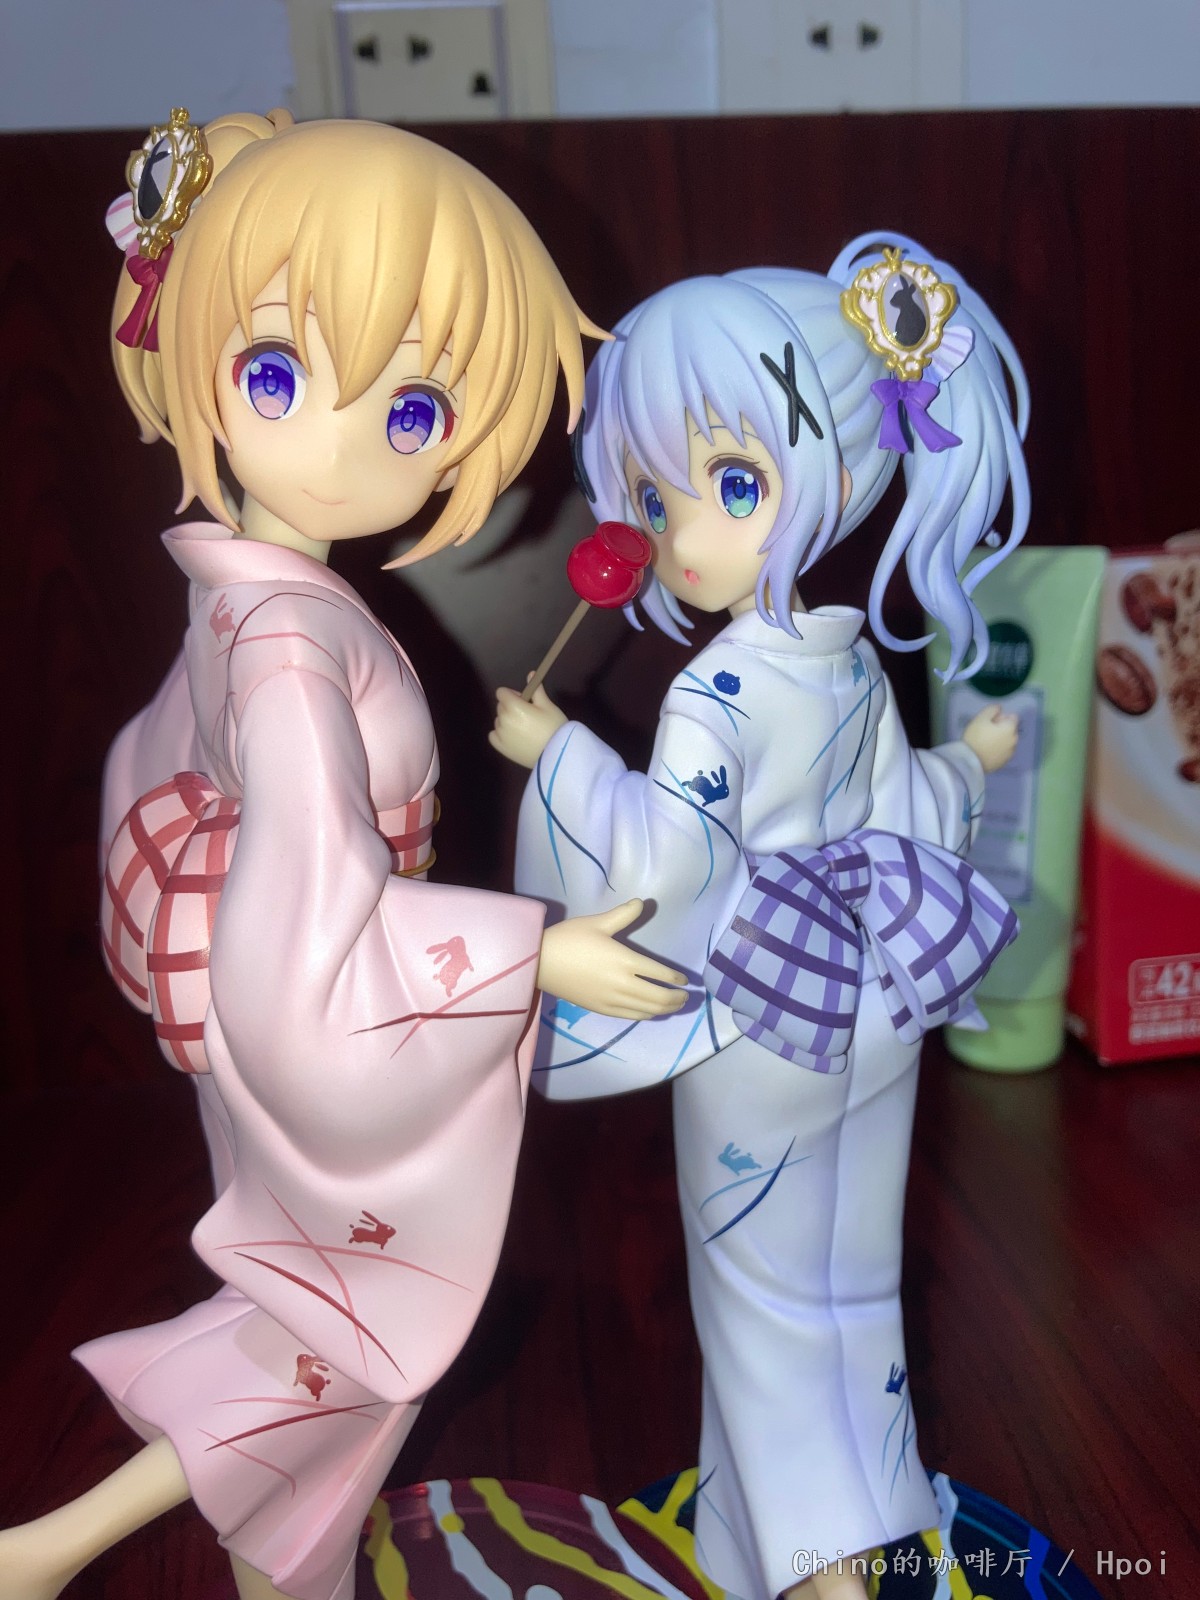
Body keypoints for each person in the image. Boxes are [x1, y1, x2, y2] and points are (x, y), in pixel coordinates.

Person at [0, 107, 684, 1600]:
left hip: (276, 1002)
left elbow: (172, 774)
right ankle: (48, 1550)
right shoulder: (289, 645)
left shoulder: (243, 591)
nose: (343, 442)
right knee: (349, 1342)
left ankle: (239, 1576)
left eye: (415, 412)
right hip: (308, 1004)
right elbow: (314, 907)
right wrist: (531, 956)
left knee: (321, 1325)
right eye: (276, 374)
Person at [492, 237, 1028, 1600]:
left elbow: (665, 864)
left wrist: (557, 752)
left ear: (834, 476)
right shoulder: (847, 660)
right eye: (655, 495)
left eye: (734, 485)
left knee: (759, 1307)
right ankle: (781, 1535)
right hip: (875, 998)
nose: (682, 534)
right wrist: (978, 765)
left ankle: (821, 1576)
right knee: (851, 1285)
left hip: (765, 1021)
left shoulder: (716, 692)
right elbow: (910, 806)